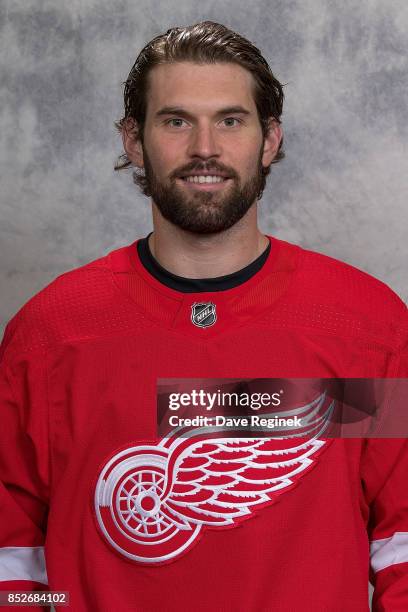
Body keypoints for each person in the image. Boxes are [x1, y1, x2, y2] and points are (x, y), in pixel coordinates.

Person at [0, 20, 407, 612]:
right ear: (134, 141)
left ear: (269, 139)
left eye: (230, 120)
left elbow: (399, 542)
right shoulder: (50, 333)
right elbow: (15, 557)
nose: (205, 148)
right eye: (175, 121)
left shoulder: (367, 327)